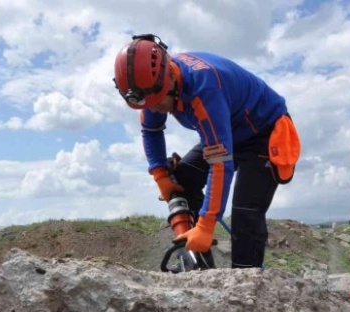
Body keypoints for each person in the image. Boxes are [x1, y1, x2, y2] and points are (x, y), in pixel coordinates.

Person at [113, 34, 300, 269]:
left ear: (169, 77)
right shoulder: (151, 87)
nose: (155, 108)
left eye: (159, 101)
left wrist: (206, 224)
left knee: (245, 213)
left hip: (264, 131)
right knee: (182, 179)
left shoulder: (204, 90)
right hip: (227, 129)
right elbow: (151, 131)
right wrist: (160, 174)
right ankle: (199, 269)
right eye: (148, 104)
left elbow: (220, 164)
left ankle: (245, 287)